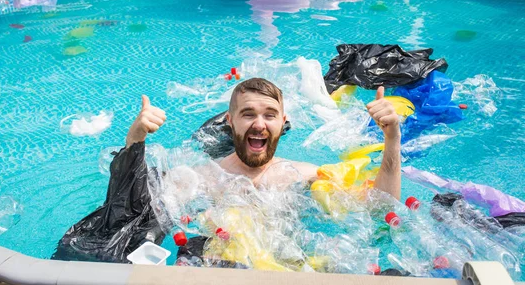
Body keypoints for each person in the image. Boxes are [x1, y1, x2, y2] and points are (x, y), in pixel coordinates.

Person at [125, 77, 401, 199]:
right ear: (230, 122)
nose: (259, 124)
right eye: (248, 114)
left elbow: (381, 207)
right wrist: (135, 140)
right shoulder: (200, 180)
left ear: (283, 123)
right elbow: (130, 207)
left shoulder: (304, 176)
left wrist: (392, 140)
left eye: (270, 115)